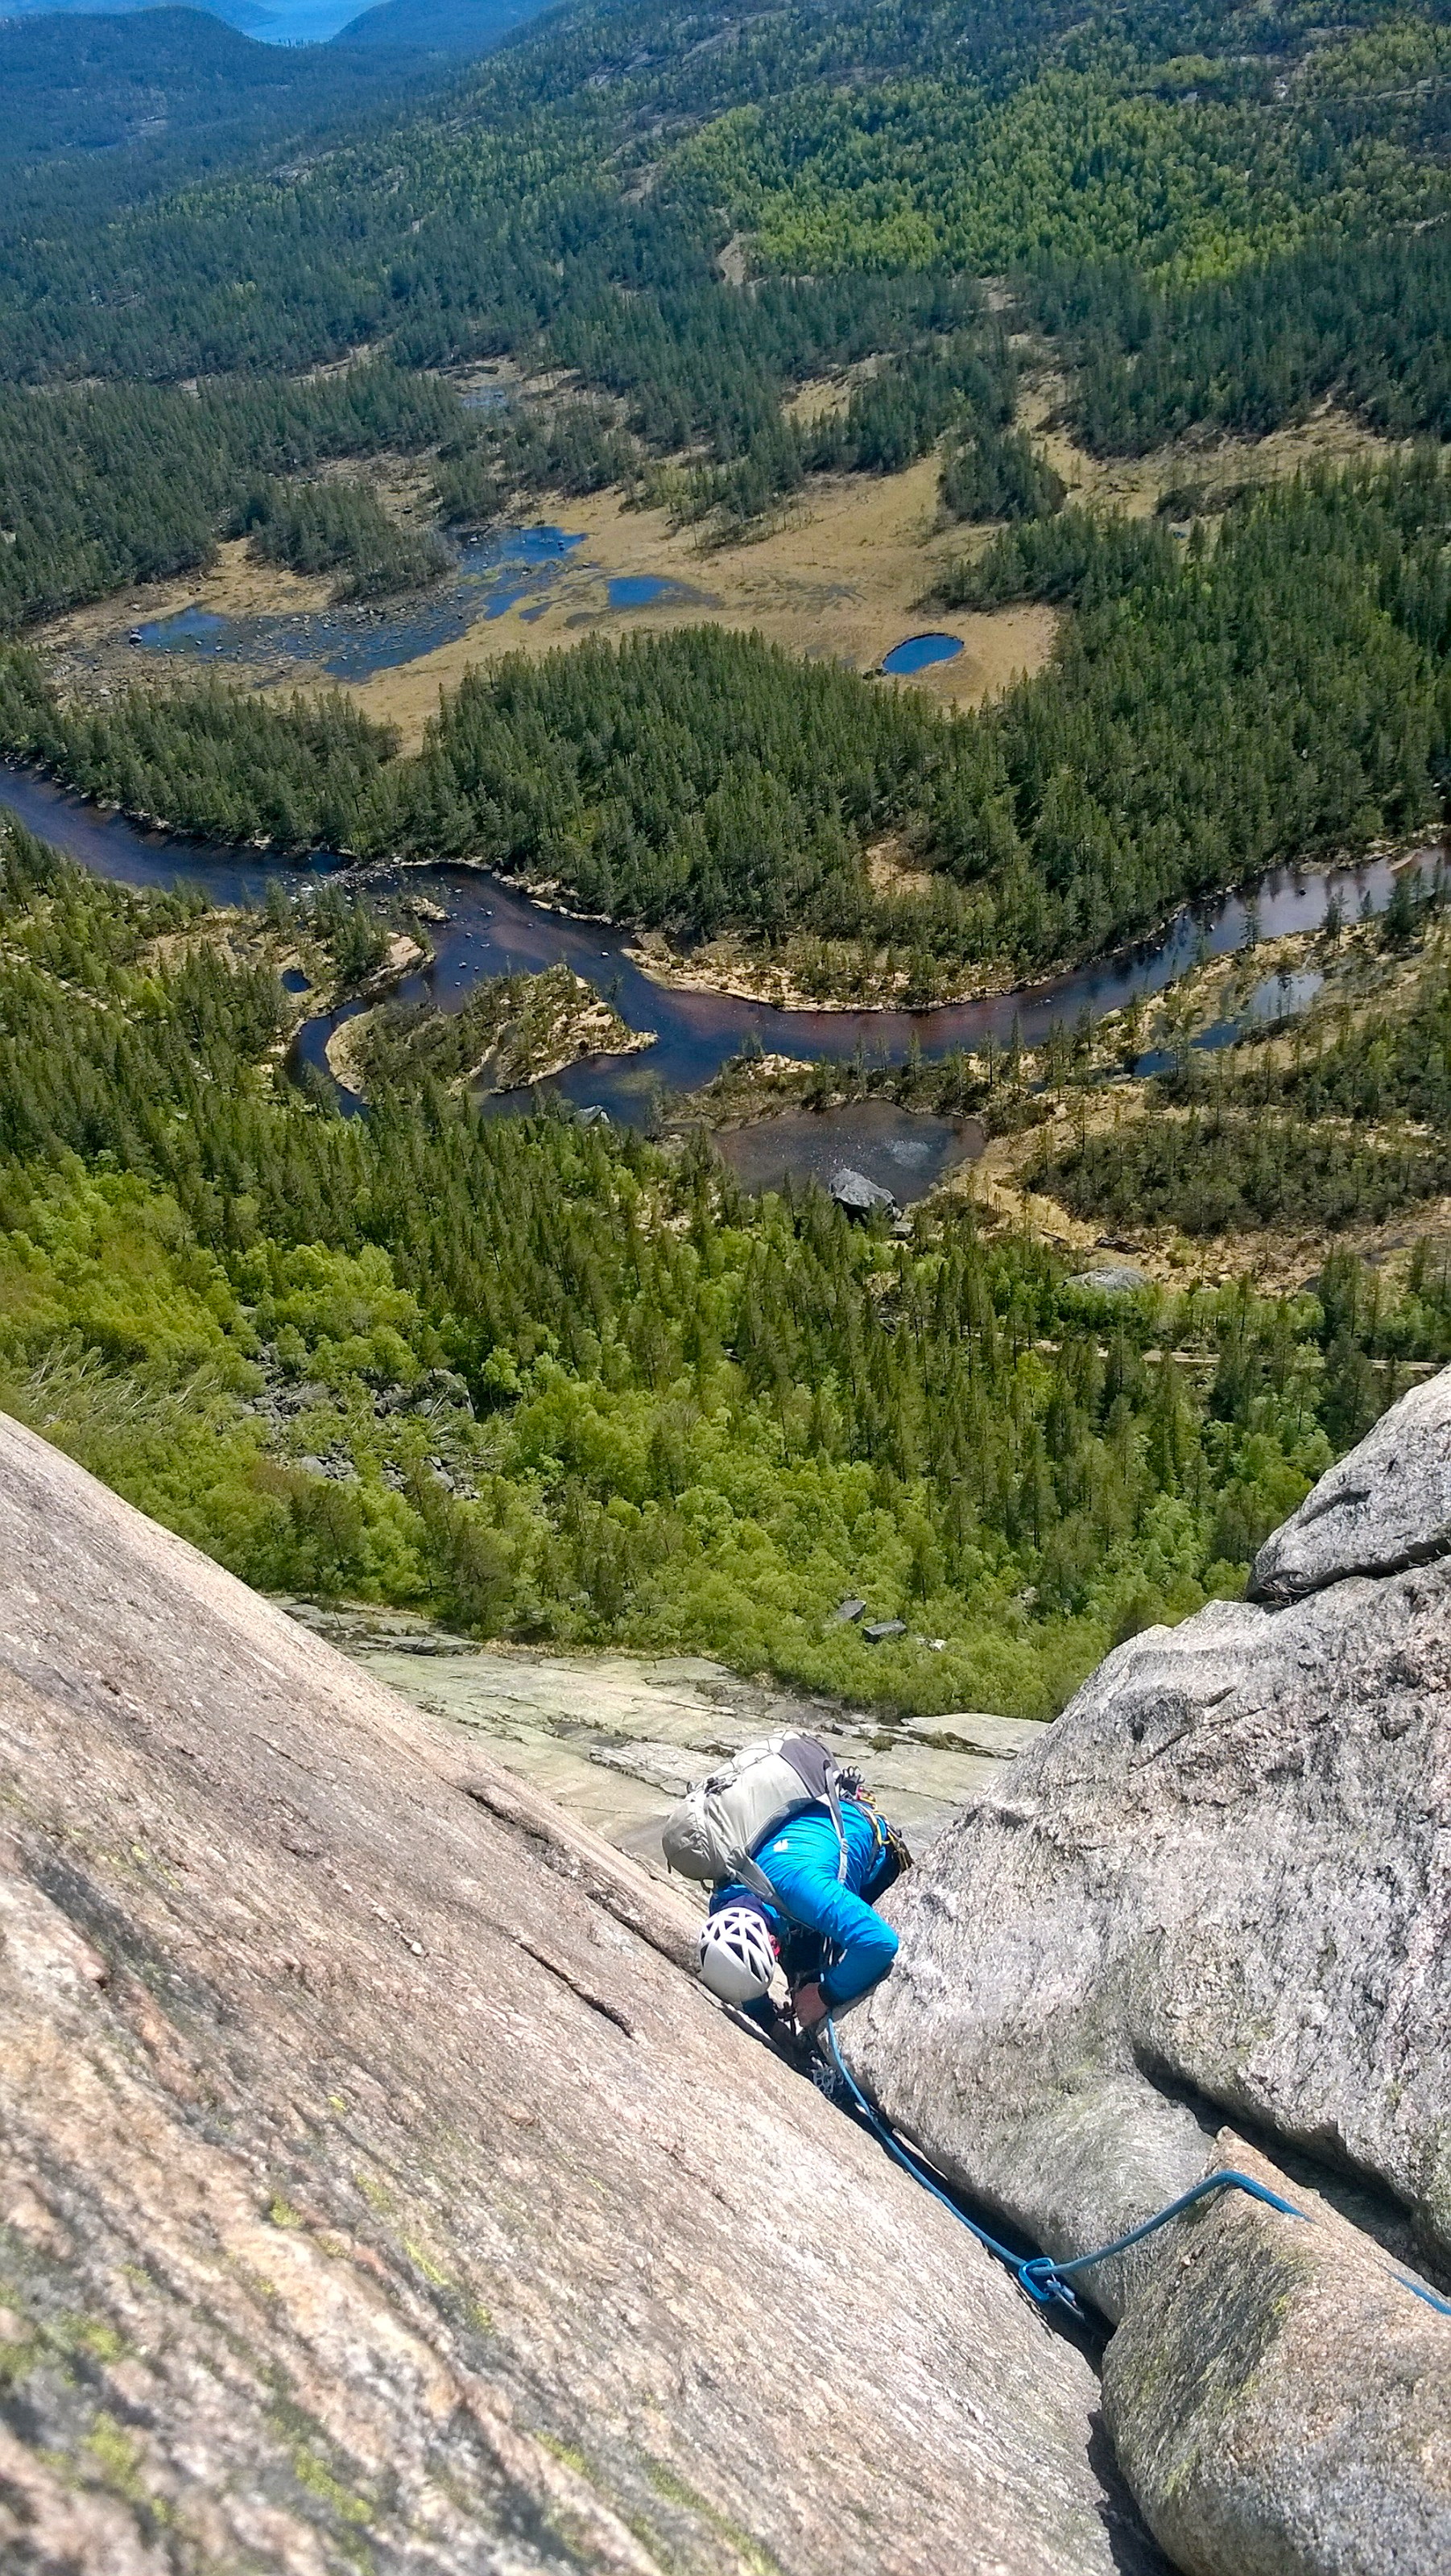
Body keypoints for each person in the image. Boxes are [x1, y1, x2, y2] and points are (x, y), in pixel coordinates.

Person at [697, 1785, 909, 2039]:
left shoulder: (803, 1887)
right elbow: (737, 1961)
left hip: (865, 1843)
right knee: (806, 1973)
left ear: (773, 1944)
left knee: (821, 1975)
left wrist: (825, 1995)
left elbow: (879, 1942)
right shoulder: (723, 1902)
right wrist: (768, 2020)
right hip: (799, 1848)